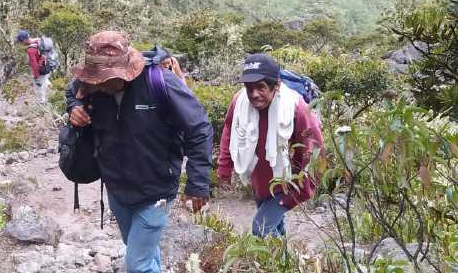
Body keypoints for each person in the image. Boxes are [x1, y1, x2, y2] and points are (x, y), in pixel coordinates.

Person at [66, 31, 212, 273]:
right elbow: (73, 93)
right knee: (139, 249)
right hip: (116, 187)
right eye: (95, 79)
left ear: (125, 71)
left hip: (156, 190)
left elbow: (199, 128)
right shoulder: (92, 85)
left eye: (104, 79)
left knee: (137, 265)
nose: (97, 84)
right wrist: (75, 107)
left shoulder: (160, 82)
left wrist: (198, 183)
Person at [216, 53, 324, 237]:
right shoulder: (239, 102)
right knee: (275, 231)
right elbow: (229, 131)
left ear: (277, 86)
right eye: (249, 88)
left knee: (261, 229)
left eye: (261, 87)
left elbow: (313, 153)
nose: (253, 94)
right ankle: (285, 264)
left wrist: (296, 195)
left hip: (286, 184)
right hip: (259, 181)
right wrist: (224, 168)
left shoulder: (297, 109)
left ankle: (275, 264)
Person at [16, 30, 51, 103]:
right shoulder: (38, 40)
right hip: (48, 65)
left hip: (42, 69)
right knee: (45, 82)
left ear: (24, 40)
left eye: (21, 41)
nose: (21, 43)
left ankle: (43, 102)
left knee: (39, 87)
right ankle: (51, 94)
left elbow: (34, 65)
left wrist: (36, 77)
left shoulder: (31, 50)